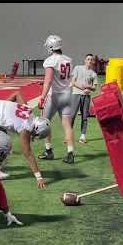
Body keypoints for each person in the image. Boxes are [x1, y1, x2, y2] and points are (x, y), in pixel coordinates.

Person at [0, 91, 51, 188]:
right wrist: (39, 177)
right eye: (36, 134)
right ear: (37, 129)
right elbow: (28, 154)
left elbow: (17, 94)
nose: (34, 136)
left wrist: (1, 109)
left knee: (3, 145)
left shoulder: (29, 111)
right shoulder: (26, 128)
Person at [37, 34, 75, 164]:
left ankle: (48, 151)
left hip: (55, 96)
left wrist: (42, 97)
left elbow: (48, 81)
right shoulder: (68, 59)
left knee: (45, 122)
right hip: (67, 95)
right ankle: (70, 153)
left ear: (51, 47)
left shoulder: (50, 61)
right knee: (67, 125)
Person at [69, 54, 98, 144]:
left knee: (84, 116)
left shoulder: (94, 74)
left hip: (86, 97)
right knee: (72, 115)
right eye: (88, 59)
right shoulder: (77, 68)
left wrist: (89, 87)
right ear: (85, 60)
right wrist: (83, 88)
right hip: (76, 94)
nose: (89, 61)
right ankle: (68, 135)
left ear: (93, 62)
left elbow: (94, 87)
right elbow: (73, 82)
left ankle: (83, 136)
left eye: (91, 59)